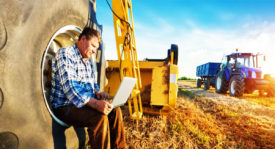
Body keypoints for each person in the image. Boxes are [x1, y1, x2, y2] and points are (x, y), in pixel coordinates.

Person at [50, 27, 125, 149]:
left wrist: (98, 92)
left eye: (96, 47)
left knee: (115, 112)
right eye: (93, 46)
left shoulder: (87, 61)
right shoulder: (65, 54)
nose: (95, 51)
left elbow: (92, 83)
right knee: (100, 118)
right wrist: (96, 104)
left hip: (82, 105)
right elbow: (71, 88)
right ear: (83, 39)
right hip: (65, 106)